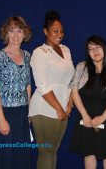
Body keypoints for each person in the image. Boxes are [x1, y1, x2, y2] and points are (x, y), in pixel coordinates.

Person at [29, 10, 74, 169]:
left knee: (53, 152)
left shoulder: (66, 50)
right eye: (55, 31)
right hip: (45, 108)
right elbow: (42, 85)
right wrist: (58, 109)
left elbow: (70, 82)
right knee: (46, 152)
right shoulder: (39, 53)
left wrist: (69, 104)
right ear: (45, 31)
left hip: (63, 108)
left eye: (61, 31)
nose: (59, 34)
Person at [69, 36, 106, 169]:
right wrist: (85, 115)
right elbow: (74, 92)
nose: (94, 51)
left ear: (104, 48)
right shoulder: (81, 67)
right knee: (89, 153)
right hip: (85, 118)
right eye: (90, 49)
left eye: (97, 47)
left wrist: (102, 118)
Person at [0, 16, 32, 169]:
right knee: (5, 156)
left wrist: (29, 113)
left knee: (21, 155)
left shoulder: (27, 56)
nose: (15, 35)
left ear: (24, 33)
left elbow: (28, 85)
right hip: (5, 112)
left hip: (22, 113)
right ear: (6, 34)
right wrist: (1, 119)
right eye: (11, 31)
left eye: (19, 31)